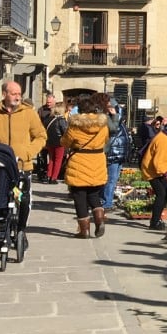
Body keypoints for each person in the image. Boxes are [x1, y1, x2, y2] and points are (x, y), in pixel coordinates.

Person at [0, 81, 47, 229]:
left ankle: (21, 229)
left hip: (22, 165)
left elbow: (41, 136)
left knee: (23, 200)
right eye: (14, 94)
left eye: (19, 94)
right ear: (4, 94)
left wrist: (28, 152)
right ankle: (1, 227)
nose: (18, 97)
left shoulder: (29, 113)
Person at [60, 95, 110, 239]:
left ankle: (85, 230)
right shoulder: (103, 126)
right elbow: (106, 140)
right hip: (97, 160)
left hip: (79, 161)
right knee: (94, 193)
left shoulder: (75, 126)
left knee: (79, 195)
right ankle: (99, 220)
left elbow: (65, 142)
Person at [93, 93, 127, 213]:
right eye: (108, 102)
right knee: (110, 179)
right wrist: (115, 116)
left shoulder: (107, 115)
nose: (110, 104)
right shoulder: (103, 116)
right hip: (112, 150)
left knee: (113, 178)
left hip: (116, 150)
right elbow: (113, 129)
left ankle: (106, 200)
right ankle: (106, 202)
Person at [44, 104, 69, 184]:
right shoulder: (61, 120)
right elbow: (65, 132)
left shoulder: (48, 119)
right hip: (59, 142)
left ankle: (48, 175)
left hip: (49, 142)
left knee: (51, 159)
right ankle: (54, 177)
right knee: (58, 160)